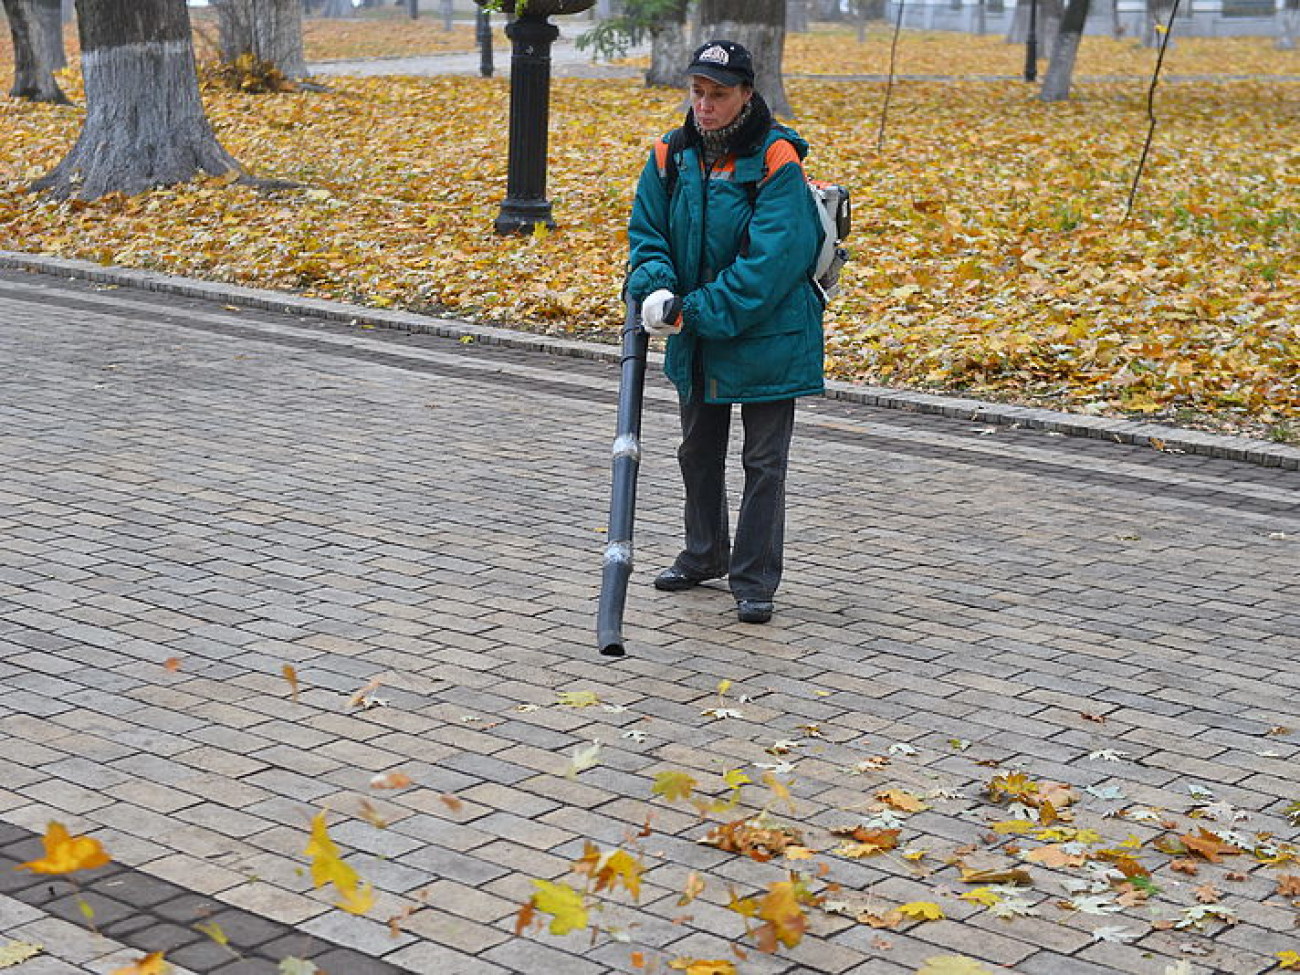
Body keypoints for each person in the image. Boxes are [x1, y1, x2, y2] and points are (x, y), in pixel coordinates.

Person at [625, 39, 826, 625]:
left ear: (746, 94)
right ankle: (704, 553)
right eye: (698, 92)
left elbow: (773, 262)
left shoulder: (775, 157)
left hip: (769, 334)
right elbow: (647, 232)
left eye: (718, 94)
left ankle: (756, 578)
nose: (705, 105)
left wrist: (693, 309)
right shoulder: (672, 153)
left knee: (763, 462)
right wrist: (658, 286)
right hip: (699, 330)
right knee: (698, 450)